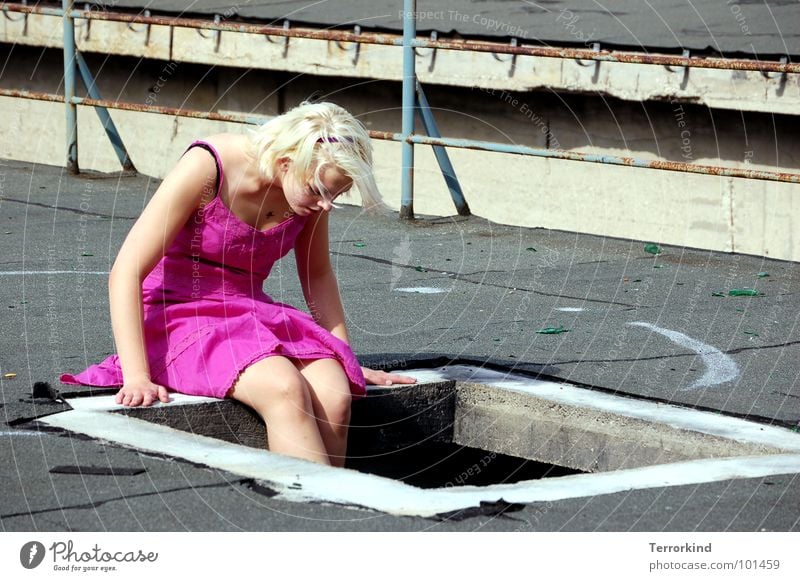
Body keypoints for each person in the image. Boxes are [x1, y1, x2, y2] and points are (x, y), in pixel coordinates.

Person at [61, 101, 416, 467]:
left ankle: (338, 511)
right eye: (320, 192)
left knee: (335, 392)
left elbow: (317, 274)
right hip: (177, 313)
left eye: (336, 197)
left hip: (249, 313)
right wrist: (137, 376)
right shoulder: (208, 166)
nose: (326, 205)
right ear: (284, 163)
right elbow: (127, 271)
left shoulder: (306, 193)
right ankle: (315, 512)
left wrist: (346, 358)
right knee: (285, 389)